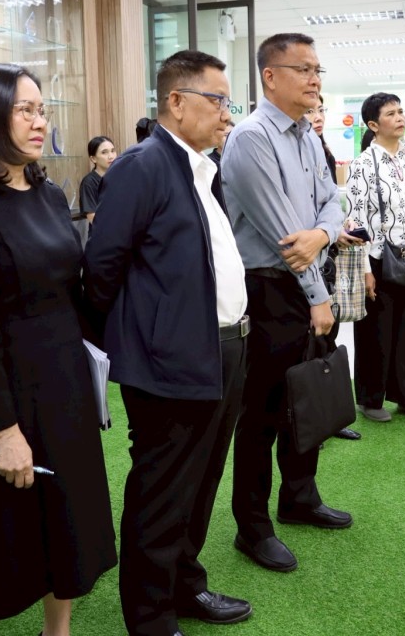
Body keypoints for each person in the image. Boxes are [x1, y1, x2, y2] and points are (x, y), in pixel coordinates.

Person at [0, 64, 115, 636]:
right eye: (25, 110)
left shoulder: (47, 192)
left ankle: (57, 631)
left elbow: (72, 292)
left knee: (69, 523)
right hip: (9, 393)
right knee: (3, 539)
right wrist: (5, 430)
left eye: (42, 110)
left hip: (65, 387)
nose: (41, 122)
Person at [85, 50, 252, 636]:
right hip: (170, 361)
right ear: (176, 102)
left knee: (201, 481)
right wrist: (143, 343)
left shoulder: (203, 168)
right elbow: (102, 268)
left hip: (224, 349)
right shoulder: (144, 165)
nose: (228, 113)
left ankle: (185, 585)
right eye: (219, 100)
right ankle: (150, 615)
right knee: (162, 490)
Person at [221, 32, 353, 575]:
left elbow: (333, 203)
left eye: (318, 70)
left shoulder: (305, 135)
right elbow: (283, 236)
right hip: (270, 290)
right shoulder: (251, 138)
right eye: (304, 69)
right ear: (270, 76)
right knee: (262, 413)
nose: (315, 80)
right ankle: (252, 527)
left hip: (307, 279)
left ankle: (299, 497)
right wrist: (318, 297)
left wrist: (322, 234)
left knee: (307, 397)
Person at [345, 93, 405, 423]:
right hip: (377, 258)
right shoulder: (363, 164)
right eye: (391, 113)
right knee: (375, 331)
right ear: (373, 125)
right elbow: (357, 218)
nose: (400, 117)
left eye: (401, 111)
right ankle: (370, 399)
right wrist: (364, 268)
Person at [305, 98, 361, 442]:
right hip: (303, 262)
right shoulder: (290, 149)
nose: (317, 117)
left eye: (320, 110)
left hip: (325, 260)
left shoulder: (321, 149)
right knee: (309, 344)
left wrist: (336, 226)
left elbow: (327, 202)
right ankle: (309, 419)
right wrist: (328, 231)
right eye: (309, 111)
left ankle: (327, 417)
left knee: (328, 338)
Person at [79, 135, 116, 224]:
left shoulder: (120, 177)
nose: (111, 156)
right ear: (93, 158)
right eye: (104, 152)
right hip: (104, 231)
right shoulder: (89, 182)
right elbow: (92, 217)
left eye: (112, 151)